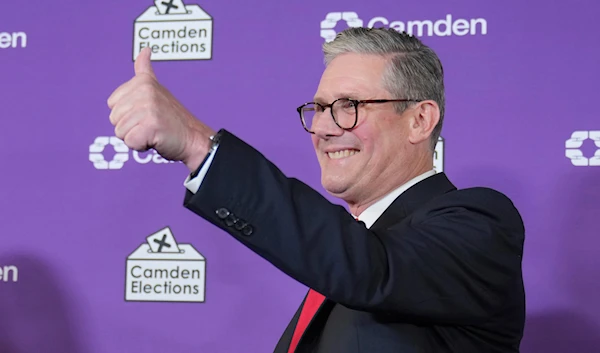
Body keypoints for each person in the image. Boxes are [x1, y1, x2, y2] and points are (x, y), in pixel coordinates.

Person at [108, 28, 526, 353]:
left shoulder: (480, 223)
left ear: (419, 120)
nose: (325, 128)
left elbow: (369, 270)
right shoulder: (349, 252)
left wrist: (200, 146)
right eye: (320, 109)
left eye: (349, 106)